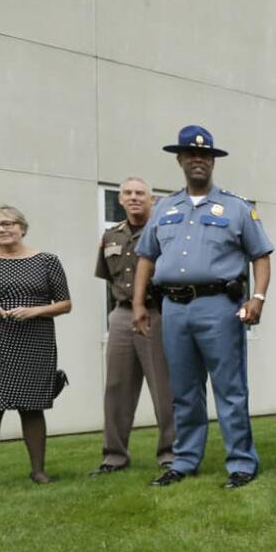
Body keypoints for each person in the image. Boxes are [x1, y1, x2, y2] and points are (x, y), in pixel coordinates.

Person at [134, 125, 274, 490]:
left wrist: (257, 298)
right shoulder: (164, 207)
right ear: (180, 160)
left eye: (205, 155)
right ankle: (184, 461)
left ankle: (241, 462)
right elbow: (146, 257)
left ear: (213, 161)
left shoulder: (236, 207)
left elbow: (260, 256)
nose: (198, 160)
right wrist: (138, 304)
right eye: (191, 154)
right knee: (182, 389)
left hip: (219, 307)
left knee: (230, 388)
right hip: (174, 309)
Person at [0, 204, 72, 494]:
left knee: (32, 406)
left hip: (35, 338)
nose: (1, 228)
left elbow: (65, 303)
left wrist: (35, 311)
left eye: (7, 223)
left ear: (22, 226)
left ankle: (38, 471)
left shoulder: (47, 261)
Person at [92, 177, 175, 475]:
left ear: (152, 199)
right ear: (121, 200)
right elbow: (108, 277)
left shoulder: (164, 233)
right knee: (116, 388)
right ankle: (113, 457)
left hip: (156, 313)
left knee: (163, 388)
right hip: (121, 314)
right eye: (128, 193)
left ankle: (170, 454)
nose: (134, 197)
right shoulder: (111, 236)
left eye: (140, 193)